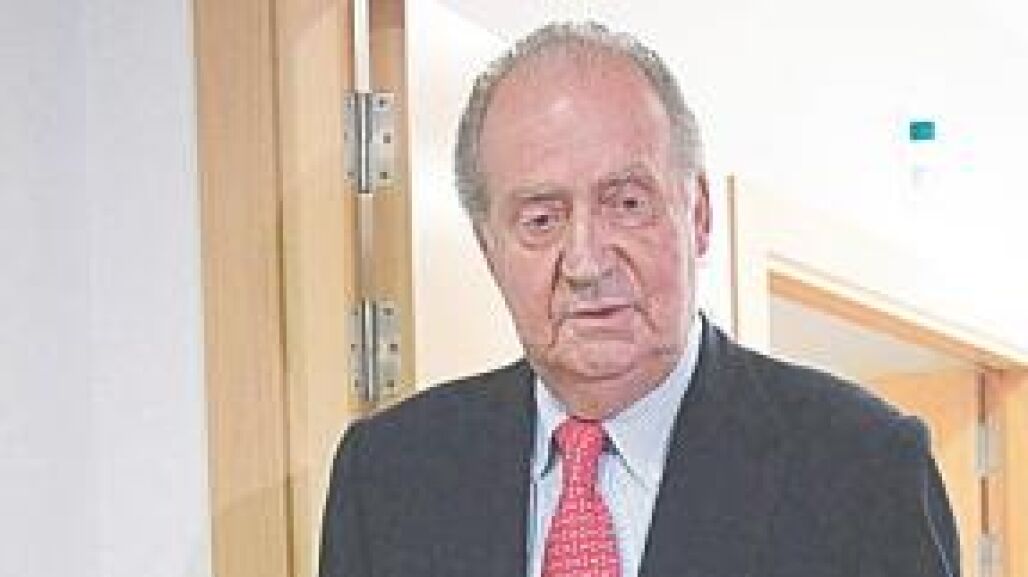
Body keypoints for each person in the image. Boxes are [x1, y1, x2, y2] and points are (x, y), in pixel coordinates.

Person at [319, 22, 958, 577]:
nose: (587, 263)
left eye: (626, 204)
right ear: (489, 249)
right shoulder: (389, 476)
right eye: (541, 219)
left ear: (698, 214)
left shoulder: (862, 467)